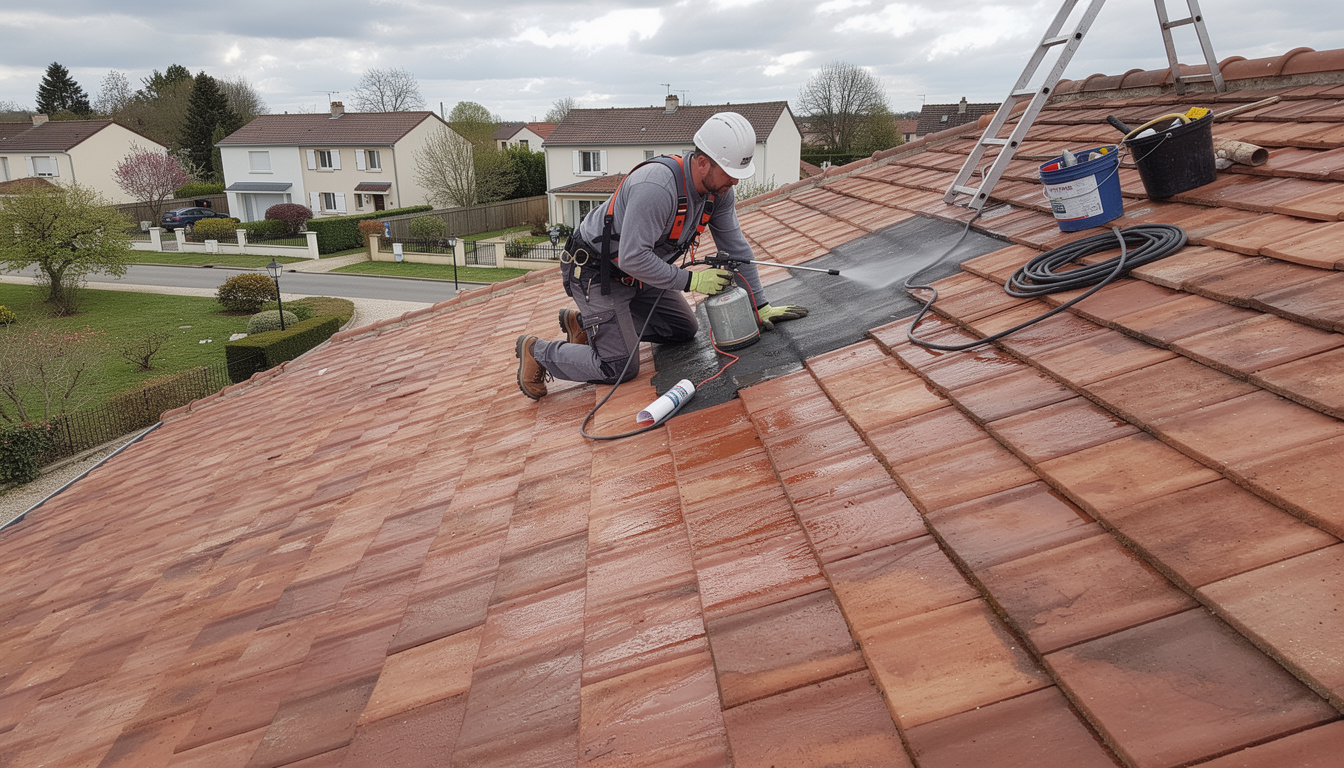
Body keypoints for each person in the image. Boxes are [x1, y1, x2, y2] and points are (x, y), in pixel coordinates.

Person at [515, 111, 809, 400]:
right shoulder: (657, 187)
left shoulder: (718, 192)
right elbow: (632, 257)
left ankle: (587, 325)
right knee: (619, 366)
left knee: (682, 329)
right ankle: (537, 352)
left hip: (639, 274)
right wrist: (691, 281)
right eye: (730, 173)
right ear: (703, 162)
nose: (735, 182)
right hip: (597, 271)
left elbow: (736, 247)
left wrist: (760, 305)